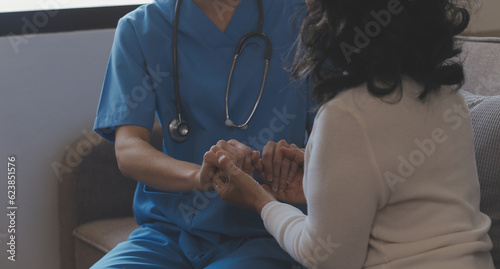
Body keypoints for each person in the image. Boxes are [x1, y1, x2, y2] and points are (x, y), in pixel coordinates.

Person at [209, 0, 496, 268]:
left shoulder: (347, 116)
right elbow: (410, 201)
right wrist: (319, 179)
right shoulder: (447, 95)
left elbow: (326, 259)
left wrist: (261, 202)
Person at [91, 0, 316, 268]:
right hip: (169, 234)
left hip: (269, 227)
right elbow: (128, 149)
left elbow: (338, 134)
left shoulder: (303, 18)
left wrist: (302, 158)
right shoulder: (141, 28)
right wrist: (198, 176)